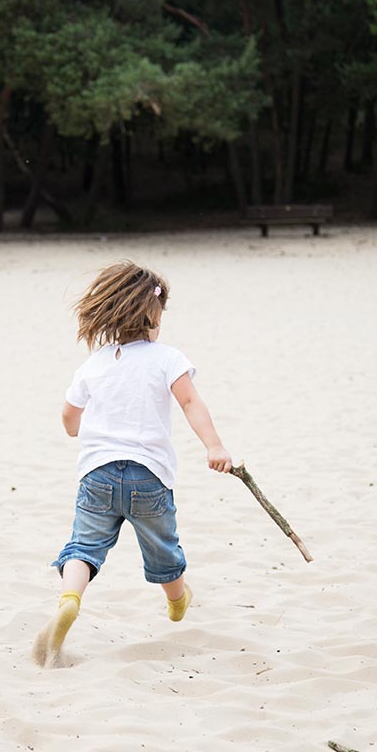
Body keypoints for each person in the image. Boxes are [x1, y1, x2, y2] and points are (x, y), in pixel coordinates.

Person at [33, 261, 232, 668]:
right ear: (152, 315)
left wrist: (77, 431)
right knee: (162, 549)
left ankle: (70, 599)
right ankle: (177, 601)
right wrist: (215, 446)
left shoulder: (93, 364)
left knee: (84, 546)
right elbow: (191, 402)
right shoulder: (167, 358)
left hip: (97, 475)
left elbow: (69, 415)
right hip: (149, 477)